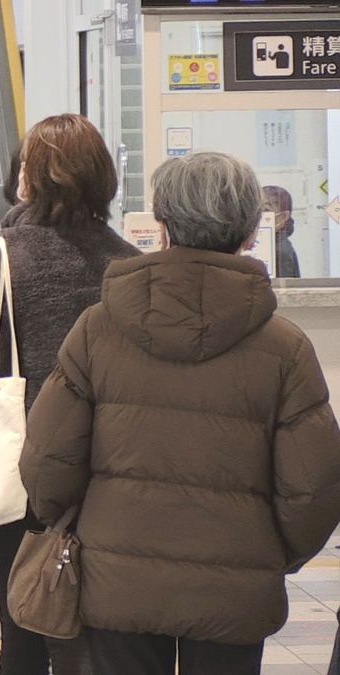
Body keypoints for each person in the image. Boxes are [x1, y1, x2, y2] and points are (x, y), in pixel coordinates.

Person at [20, 151, 340, 675]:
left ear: (163, 225)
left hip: (115, 576)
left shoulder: (98, 329)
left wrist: (79, 526)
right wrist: (274, 555)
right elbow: (315, 484)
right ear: (247, 232)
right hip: (235, 584)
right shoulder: (284, 347)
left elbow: (47, 458)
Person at [0, 113, 138, 675]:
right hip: (116, 481)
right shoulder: (133, 269)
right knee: (107, 635)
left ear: (26, 180)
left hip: (16, 483)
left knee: (24, 630)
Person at [262, 185, 300, 278]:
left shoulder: (280, 252)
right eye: (254, 209)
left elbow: (282, 290)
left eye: (265, 210)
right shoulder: (265, 246)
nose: (258, 215)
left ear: (282, 218)